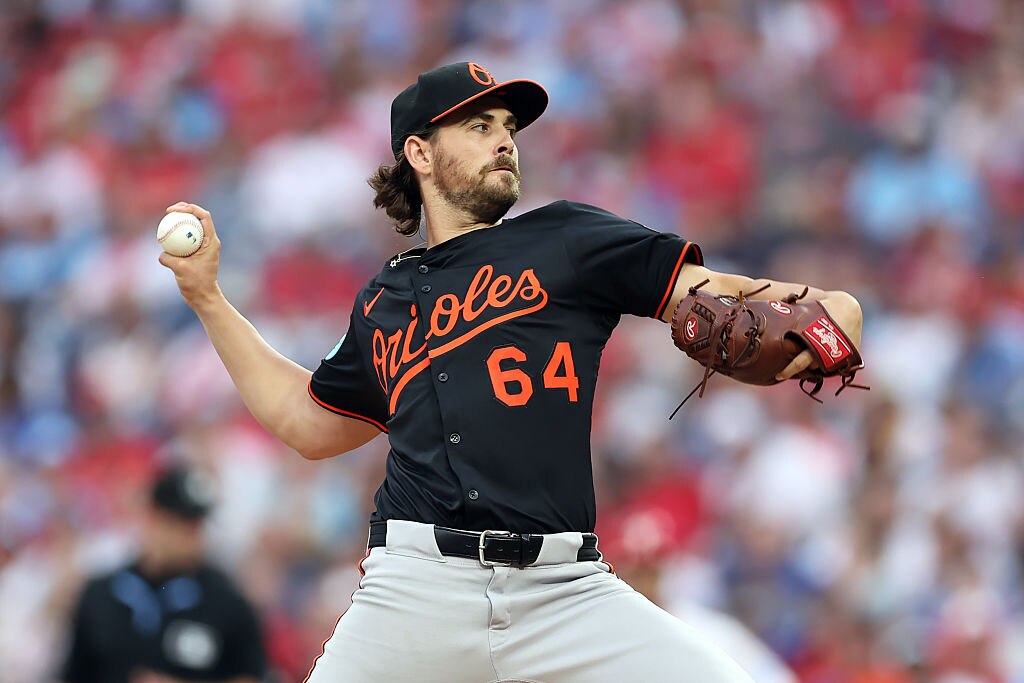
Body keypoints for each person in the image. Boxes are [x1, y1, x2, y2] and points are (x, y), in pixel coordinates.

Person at [159, 61, 862, 682]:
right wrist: (209, 298)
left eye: (507, 125)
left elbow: (719, 294)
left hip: (565, 589)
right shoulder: (384, 301)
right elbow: (306, 422)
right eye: (478, 125)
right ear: (420, 153)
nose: (504, 138)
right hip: (415, 591)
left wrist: (834, 310)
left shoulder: (567, 238)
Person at [61, 465, 268, 683]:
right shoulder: (101, 595)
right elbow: (75, 674)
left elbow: (252, 675)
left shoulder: (226, 601)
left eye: (197, 525)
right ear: (152, 518)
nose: (192, 537)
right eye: (181, 523)